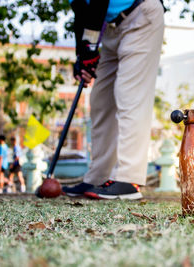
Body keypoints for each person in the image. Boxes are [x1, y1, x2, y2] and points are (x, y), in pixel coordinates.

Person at [62, 0, 165, 199]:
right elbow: (82, 12)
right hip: (111, 28)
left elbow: (98, 5)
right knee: (101, 100)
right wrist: (81, 57)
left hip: (141, 15)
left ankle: (128, 179)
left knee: (129, 95)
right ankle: (98, 178)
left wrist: (90, 50)